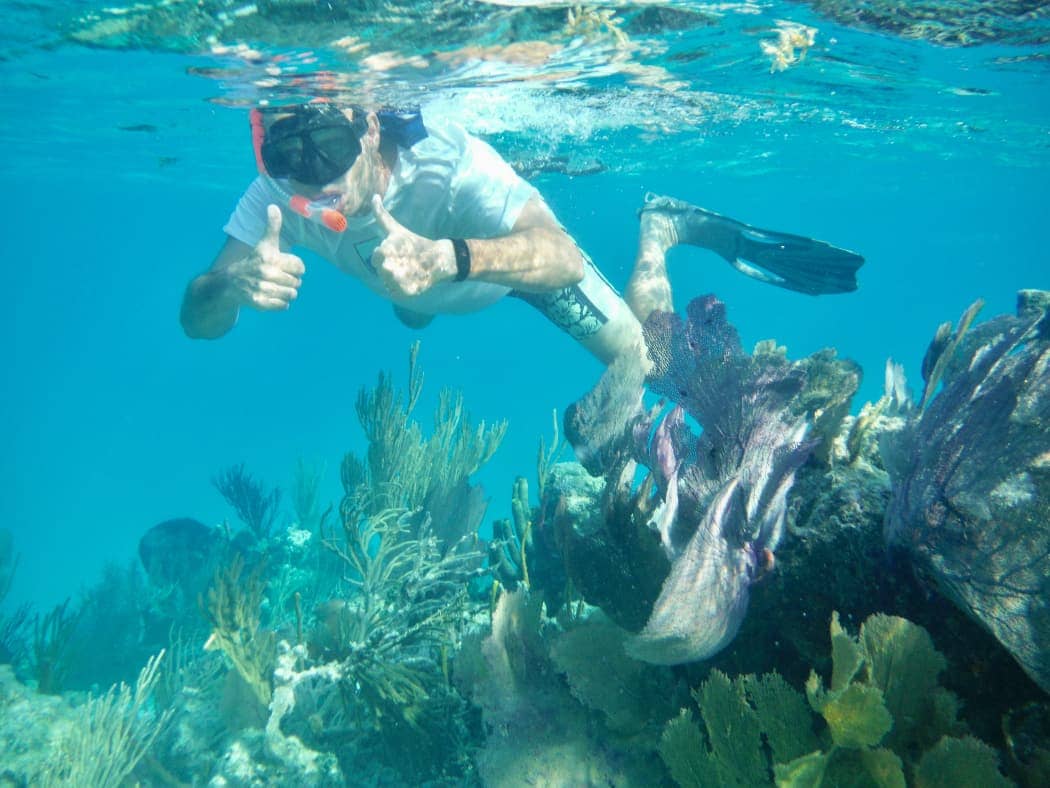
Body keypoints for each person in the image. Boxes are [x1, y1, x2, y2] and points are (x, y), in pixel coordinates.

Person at [180, 102, 863, 368]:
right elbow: (199, 324)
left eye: (327, 146)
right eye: (285, 155)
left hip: (508, 271)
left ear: (367, 128)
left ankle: (661, 229)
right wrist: (226, 285)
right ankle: (427, 284)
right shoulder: (276, 196)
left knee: (651, 367)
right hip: (416, 284)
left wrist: (450, 258)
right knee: (411, 312)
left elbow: (560, 258)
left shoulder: (448, 162)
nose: (311, 181)